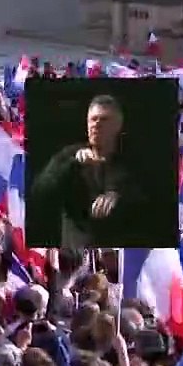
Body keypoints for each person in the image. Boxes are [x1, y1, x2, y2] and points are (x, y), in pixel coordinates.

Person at [29, 94, 150, 250]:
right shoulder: (68, 155)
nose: (96, 124)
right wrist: (73, 165)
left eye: (104, 119)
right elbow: (40, 192)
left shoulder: (133, 160)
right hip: (76, 249)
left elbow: (147, 196)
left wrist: (118, 195)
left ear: (118, 125)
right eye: (93, 119)